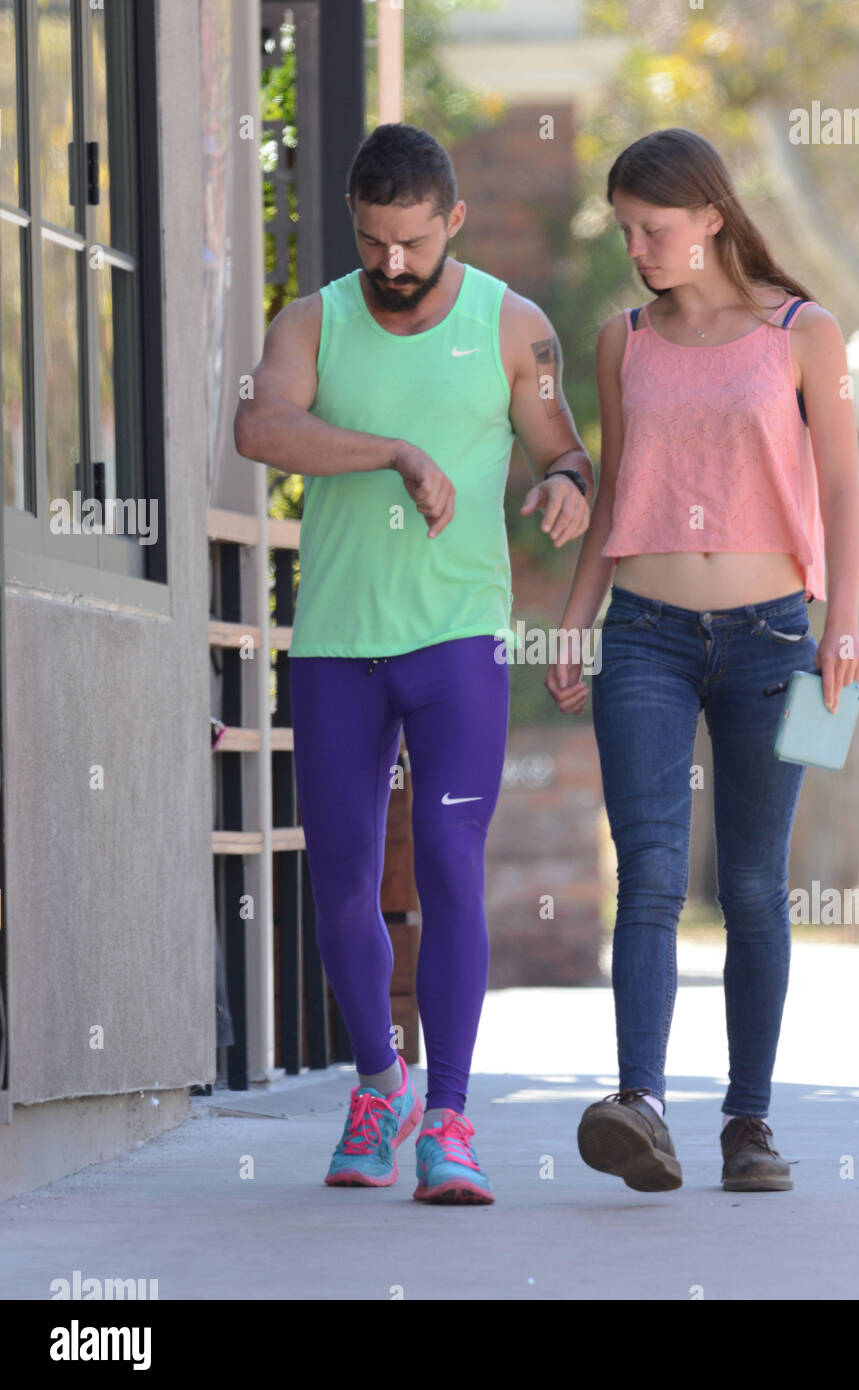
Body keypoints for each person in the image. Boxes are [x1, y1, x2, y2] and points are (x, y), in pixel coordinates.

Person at [234, 123, 592, 1204]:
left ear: (454, 222)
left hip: (457, 639)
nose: (392, 263)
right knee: (343, 877)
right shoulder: (312, 322)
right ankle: (378, 1086)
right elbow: (260, 428)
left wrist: (565, 487)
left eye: (414, 242)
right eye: (372, 240)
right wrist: (392, 452)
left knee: (446, 857)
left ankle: (449, 1119)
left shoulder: (511, 327)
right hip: (337, 643)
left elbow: (565, 452)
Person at [546, 127, 859, 1193]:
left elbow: (841, 490)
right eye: (624, 231)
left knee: (752, 887)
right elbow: (615, 494)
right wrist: (575, 620)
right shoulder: (623, 341)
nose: (637, 248)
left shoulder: (801, 332)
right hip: (643, 632)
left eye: (654, 227)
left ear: (711, 218)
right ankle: (639, 1105)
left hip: (773, 637)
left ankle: (749, 1125)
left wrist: (843, 623)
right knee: (646, 871)